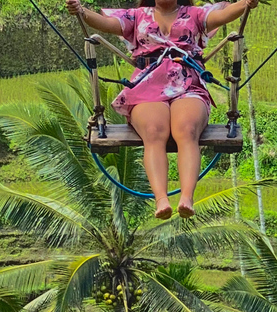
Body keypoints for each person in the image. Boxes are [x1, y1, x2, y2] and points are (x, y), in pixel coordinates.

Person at [66, 0, 258, 220]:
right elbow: (106, 23)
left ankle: (186, 197)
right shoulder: (136, 16)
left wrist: (245, 3)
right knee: (154, 130)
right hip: (147, 85)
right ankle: (162, 199)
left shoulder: (195, 15)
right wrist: (81, 11)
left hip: (188, 84)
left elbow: (223, 16)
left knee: (186, 129)